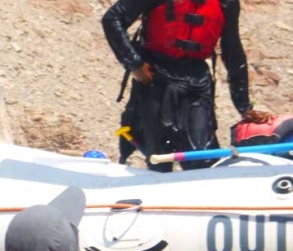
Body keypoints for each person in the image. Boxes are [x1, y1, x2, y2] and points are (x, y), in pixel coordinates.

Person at [102, 0, 271, 172]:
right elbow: (112, 18)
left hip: (196, 83)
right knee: (159, 159)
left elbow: (232, 50)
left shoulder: (226, 3)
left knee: (204, 160)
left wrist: (243, 106)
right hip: (155, 78)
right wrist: (134, 64)